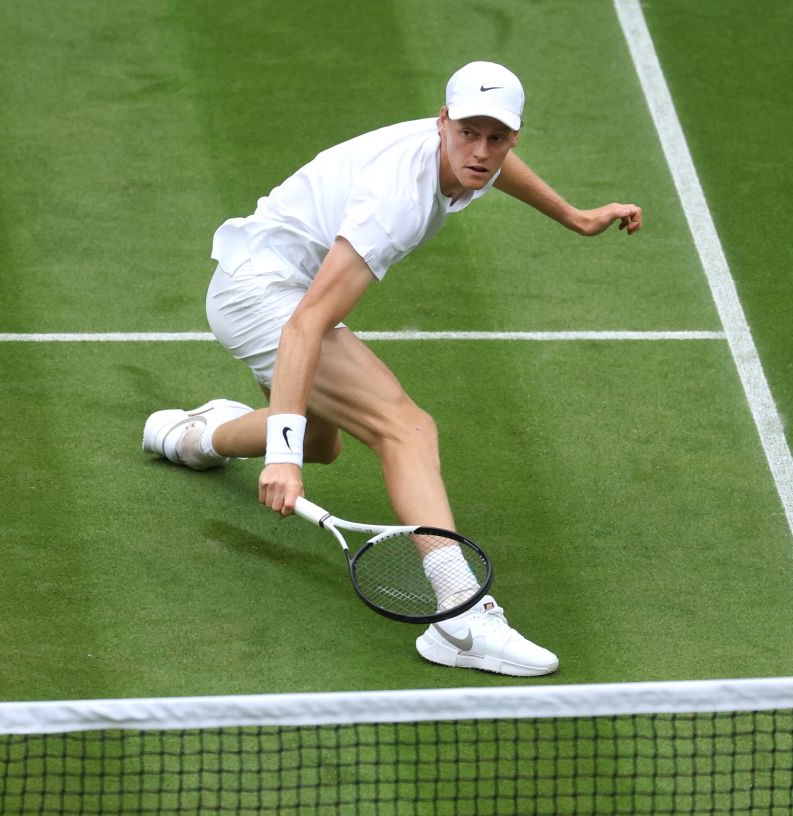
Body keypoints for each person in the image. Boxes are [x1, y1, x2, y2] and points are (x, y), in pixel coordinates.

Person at [143, 61, 642, 676]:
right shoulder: (395, 203)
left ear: (513, 136)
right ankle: (458, 618)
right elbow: (303, 324)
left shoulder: (471, 153)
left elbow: (491, 166)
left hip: (285, 284)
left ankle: (194, 438)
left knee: (322, 443)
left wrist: (573, 215)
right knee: (403, 427)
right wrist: (281, 457)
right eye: (468, 134)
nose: (481, 153)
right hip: (260, 293)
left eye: (496, 137)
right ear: (443, 123)